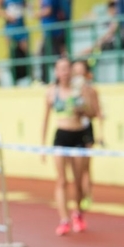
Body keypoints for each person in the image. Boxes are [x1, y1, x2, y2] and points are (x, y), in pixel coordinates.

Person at [40, 58, 97, 236]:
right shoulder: (51, 92)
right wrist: (42, 145)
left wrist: (83, 108)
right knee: (61, 180)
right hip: (61, 137)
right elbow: (45, 119)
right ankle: (64, 220)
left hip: (78, 136)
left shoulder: (80, 90)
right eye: (61, 69)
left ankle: (78, 213)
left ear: (71, 71)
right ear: (56, 72)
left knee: (78, 181)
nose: (64, 72)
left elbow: (92, 113)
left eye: (67, 69)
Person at [71, 59, 104, 211]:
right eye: (75, 71)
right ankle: (79, 195)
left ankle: (86, 195)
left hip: (86, 129)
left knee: (85, 166)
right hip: (72, 130)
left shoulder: (91, 90)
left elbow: (97, 113)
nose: (78, 74)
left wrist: (101, 134)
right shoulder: (69, 90)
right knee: (75, 168)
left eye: (80, 71)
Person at [0, 0, 29, 83]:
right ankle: (13, 79)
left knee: (25, 54)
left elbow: (26, 5)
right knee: (12, 55)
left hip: (21, 28)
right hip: (10, 29)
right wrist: (6, 15)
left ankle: (27, 77)